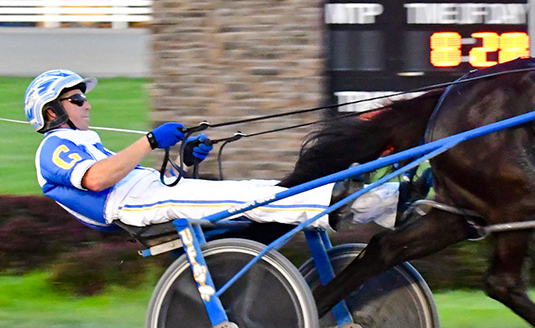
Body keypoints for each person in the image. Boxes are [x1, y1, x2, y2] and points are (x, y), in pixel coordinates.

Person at [25, 69, 398, 232]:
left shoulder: (85, 142)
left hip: (148, 194)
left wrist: (186, 164)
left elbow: (143, 182)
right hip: (132, 206)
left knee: (259, 188)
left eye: (84, 98)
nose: (86, 105)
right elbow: (97, 179)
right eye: (76, 100)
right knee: (255, 199)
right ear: (51, 112)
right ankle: (362, 204)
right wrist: (151, 141)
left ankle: (383, 202)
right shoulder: (54, 147)